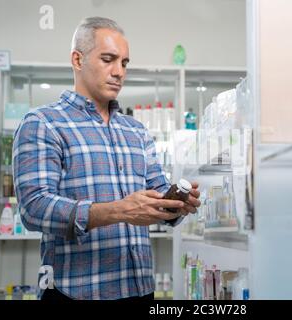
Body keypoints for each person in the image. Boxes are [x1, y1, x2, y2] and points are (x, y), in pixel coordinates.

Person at [12, 17, 200, 300]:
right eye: (108, 59)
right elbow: (33, 207)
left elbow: (157, 194)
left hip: (139, 289)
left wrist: (176, 203)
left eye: (124, 63)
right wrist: (116, 211)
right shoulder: (43, 123)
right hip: (75, 292)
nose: (119, 72)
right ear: (78, 59)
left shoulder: (135, 130)